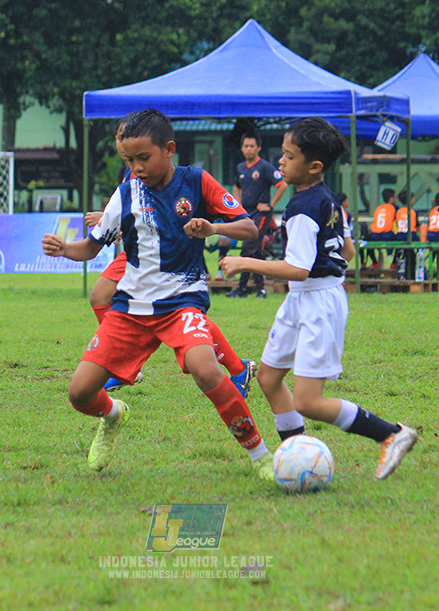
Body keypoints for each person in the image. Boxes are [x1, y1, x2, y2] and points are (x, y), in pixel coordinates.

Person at [42, 109, 276, 480]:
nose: (136, 167)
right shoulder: (124, 194)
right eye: (128, 160)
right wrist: (64, 248)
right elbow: (91, 247)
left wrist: (212, 226)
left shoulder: (197, 182)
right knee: (80, 394)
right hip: (131, 308)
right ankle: (114, 414)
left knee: (205, 370)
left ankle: (260, 456)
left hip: (182, 301)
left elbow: (248, 228)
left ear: (169, 149)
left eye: (143, 158)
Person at [219, 117, 418, 481]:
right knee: (268, 378)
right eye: (281, 153)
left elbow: (298, 269)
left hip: (317, 303)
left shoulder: (300, 209)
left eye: (289, 156)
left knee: (308, 401)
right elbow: (349, 250)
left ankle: (391, 433)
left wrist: (244, 261)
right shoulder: (329, 200)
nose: (280, 161)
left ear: (314, 166)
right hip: (305, 300)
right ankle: (297, 455)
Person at [86, 117, 256, 396]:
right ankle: (121, 361)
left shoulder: (173, 174)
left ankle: (236, 367)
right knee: (100, 296)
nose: (121, 144)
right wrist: (107, 222)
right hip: (137, 256)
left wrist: (209, 227)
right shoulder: (132, 173)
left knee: (182, 311)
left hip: (163, 258)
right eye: (118, 138)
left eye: (123, 137)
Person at [226, 131, 286, 298]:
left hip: (261, 214)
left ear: (258, 148)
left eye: (252, 146)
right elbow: (237, 186)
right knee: (255, 250)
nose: (249, 149)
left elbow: (282, 185)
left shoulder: (265, 166)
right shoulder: (241, 167)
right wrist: (237, 207)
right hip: (246, 214)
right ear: (242, 148)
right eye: (246, 146)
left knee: (249, 247)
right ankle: (260, 289)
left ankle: (242, 287)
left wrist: (271, 205)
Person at [365, 188, 397, 268]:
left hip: (374, 235)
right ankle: (394, 263)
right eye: (395, 197)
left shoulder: (378, 208)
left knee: (368, 242)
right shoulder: (394, 207)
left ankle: (375, 262)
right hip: (387, 235)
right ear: (391, 199)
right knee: (401, 239)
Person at [393, 190, 419, 278]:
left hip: (400, 235)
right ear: (410, 200)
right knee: (419, 246)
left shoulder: (398, 211)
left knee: (402, 251)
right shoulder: (413, 211)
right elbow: (416, 225)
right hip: (411, 235)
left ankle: (394, 262)